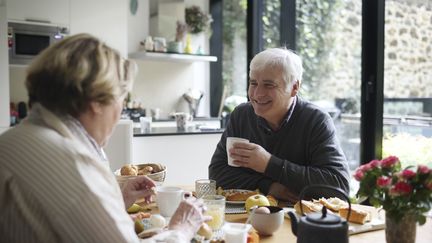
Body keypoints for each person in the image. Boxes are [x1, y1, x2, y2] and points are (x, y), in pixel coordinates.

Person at [0, 34, 209, 243]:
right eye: (121, 99)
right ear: (96, 102)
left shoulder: (13, 140)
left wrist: (117, 200)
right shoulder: (72, 161)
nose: (120, 113)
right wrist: (182, 228)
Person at [209, 48, 350, 203]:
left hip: (302, 220)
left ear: (294, 87)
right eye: (253, 83)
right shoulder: (242, 115)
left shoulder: (316, 120)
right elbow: (217, 174)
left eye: (269, 85)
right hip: (249, 216)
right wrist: (268, 186)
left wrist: (269, 164)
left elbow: (339, 187)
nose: (257, 94)